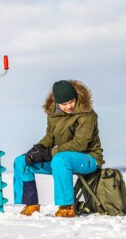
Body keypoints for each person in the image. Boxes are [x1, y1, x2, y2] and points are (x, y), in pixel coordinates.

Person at [13, 80, 104, 217]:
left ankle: (67, 207)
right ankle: (31, 204)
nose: (68, 106)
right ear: (57, 103)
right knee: (22, 161)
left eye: (71, 101)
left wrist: (49, 153)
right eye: (64, 104)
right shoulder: (53, 114)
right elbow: (50, 137)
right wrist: (37, 148)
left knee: (59, 159)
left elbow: (80, 144)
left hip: (88, 158)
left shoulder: (87, 114)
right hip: (63, 159)